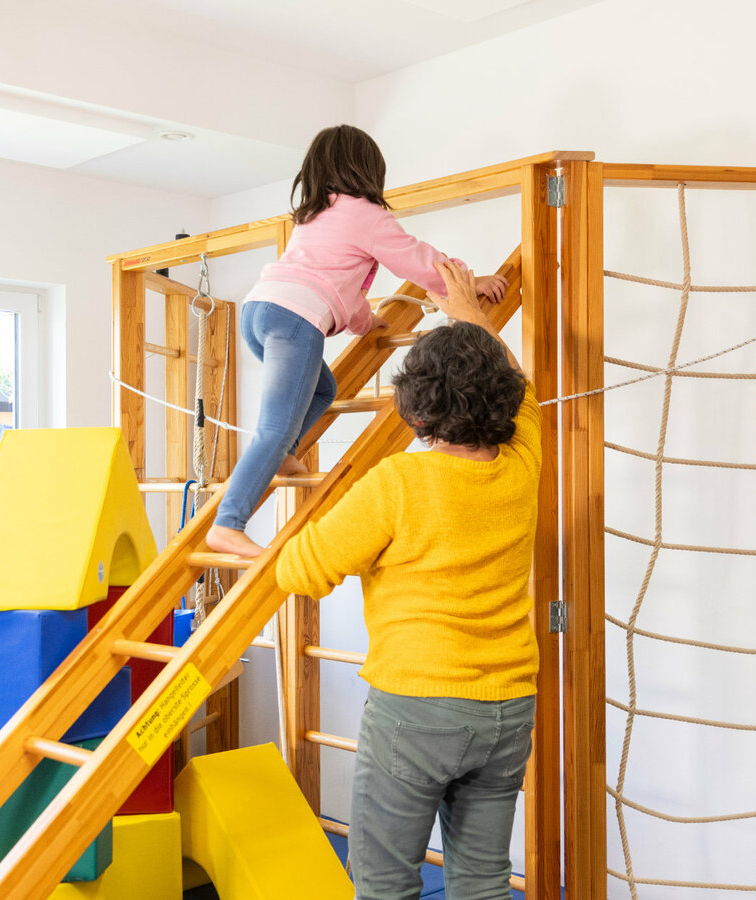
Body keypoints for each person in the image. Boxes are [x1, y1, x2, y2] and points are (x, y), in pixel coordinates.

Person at [276, 260, 540, 900]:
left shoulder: (397, 482)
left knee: (386, 883)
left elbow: (300, 571)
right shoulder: (526, 458)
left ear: (416, 408)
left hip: (417, 711)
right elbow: (519, 385)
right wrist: (470, 317)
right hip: (507, 708)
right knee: (481, 882)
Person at [205, 124, 506, 558]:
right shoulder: (366, 214)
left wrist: (368, 322)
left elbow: (334, 284)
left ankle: (286, 452)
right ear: (367, 171)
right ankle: (228, 523)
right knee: (272, 428)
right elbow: (417, 259)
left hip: (259, 312)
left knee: (324, 389)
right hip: (296, 319)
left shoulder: (315, 215)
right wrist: (468, 281)